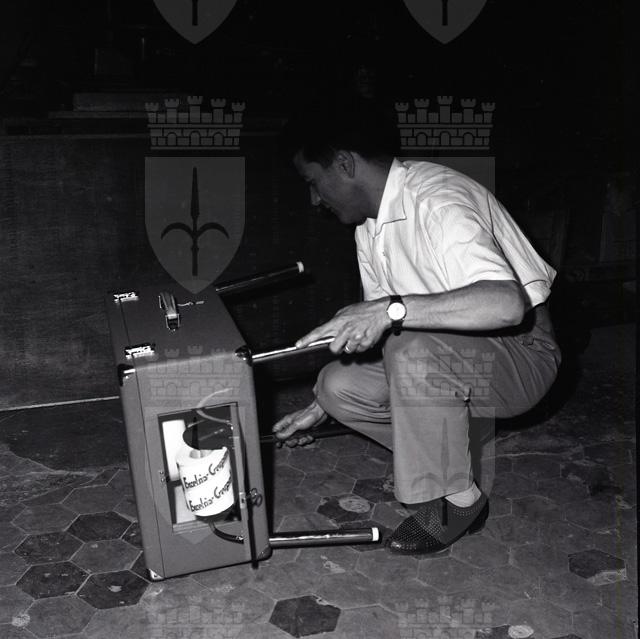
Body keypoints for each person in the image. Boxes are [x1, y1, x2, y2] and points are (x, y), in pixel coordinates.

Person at [272, 97, 560, 554]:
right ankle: (454, 468)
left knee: (412, 351)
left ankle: (458, 501)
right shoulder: (369, 227)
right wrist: (320, 408)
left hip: (521, 353)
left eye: (313, 181)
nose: (315, 198)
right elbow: (386, 331)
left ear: (344, 163)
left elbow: (507, 305)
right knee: (335, 386)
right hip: (455, 358)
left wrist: (389, 310)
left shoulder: (437, 200)